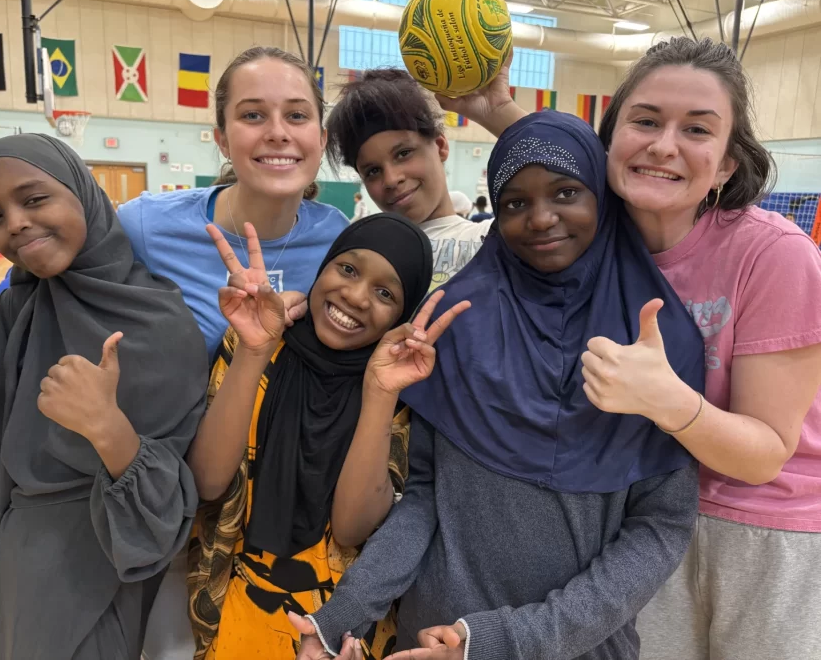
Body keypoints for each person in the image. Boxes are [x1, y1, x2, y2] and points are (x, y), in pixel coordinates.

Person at [292, 110, 706, 660]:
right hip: (432, 639)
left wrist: (502, 642)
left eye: (566, 192)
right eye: (514, 203)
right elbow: (423, 500)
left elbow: (660, 527)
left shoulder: (656, 339)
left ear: (603, 201)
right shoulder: (460, 319)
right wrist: (339, 619)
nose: (540, 218)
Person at [0, 134, 207, 659]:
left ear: (84, 194)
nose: (16, 223)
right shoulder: (21, 309)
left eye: (33, 199)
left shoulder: (160, 324)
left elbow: (170, 509)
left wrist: (107, 428)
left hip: (91, 577)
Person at [585, 36, 821, 660]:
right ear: (608, 141)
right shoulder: (595, 241)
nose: (664, 145)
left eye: (696, 129)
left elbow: (767, 455)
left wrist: (669, 402)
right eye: (645, 121)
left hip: (766, 526)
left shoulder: (775, 254)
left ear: (725, 166)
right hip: (649, 515)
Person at [186, 213, 470, 660]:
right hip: (237, 606)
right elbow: (208, 482)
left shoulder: (402, 390)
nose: (355, 296)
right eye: (348, 269)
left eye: (385, 293)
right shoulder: (260, 341)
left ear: (403, 310)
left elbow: (353, 528)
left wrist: (377, 394)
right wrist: (253, 353)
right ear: (323, 268)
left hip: (341, 629)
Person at [117, 46, 348, 359]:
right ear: (222, 140)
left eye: (296, 115)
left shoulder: (339, 238)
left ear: (321, 140)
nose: (278, 133)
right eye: (253, 115)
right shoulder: (145, 225)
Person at [325, 69, 493, 288]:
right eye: (373, 171)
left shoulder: (490, 238)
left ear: (440, 146)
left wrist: (499, 112)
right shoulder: (363, 257)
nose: (392, 179)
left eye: (403, 154)